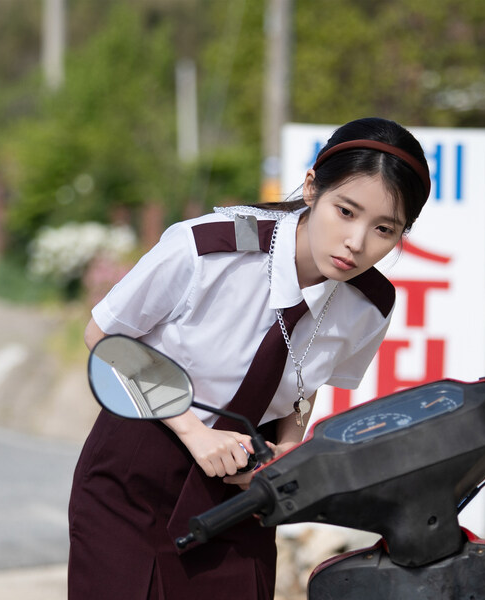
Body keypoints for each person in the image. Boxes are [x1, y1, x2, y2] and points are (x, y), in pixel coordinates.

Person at [68, 117, 431, 599]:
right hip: (138, 466)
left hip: (243, 489)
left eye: (384, 228)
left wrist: (286, 454)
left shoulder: (369, 307)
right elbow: (104, 335)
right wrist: (193, 432)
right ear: (310, 188)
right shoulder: (206, 250)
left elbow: (304, 385)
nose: (357, 243)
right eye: (346, 211)